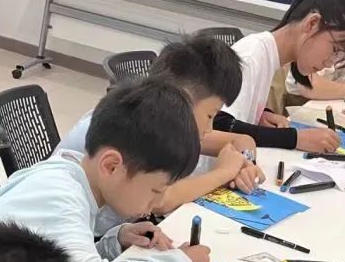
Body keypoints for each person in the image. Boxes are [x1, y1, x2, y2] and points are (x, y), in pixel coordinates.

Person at [0, 79, 211, 262]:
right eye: (156, 190)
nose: (158, 201)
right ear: (111, 166)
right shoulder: (59, 195)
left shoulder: (73, 178)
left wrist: (114, 243)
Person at [60, 34, 265, 229]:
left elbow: (242, 139)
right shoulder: (137, 125)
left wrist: (245, 164)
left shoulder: (159, 119)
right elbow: (161, 201)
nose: (209, 128)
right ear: (182, 98)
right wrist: (224, 172)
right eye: (210, 115)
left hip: (115, 234)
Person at [213, 0, 345, 151]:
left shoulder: (269, 57)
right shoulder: (251, 55)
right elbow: (217, 124)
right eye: (336, 50)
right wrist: (294, 138)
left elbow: (234, 114)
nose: (330, 63)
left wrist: (261, 115)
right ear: (312, 23)